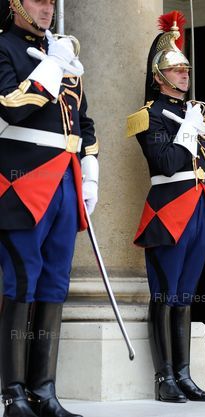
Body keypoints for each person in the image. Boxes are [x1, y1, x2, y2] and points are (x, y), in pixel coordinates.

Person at [0, 0, 97, 416]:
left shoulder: (61, 50)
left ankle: (44, 390)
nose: (47, 8)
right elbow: (11, 105)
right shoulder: (5, 48)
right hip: (22, 180)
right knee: (22, 281)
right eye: (37, 0)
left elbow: (83, 122)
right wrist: (52, 66)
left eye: (49, 1)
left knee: (55, 284)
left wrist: (90, 173)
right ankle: (13, 392)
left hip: (64, 180)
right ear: (15, 4)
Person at [126, 11, 205, 403]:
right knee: (165, 294)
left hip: (198, 208)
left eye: (185, 69)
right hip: (168, 210)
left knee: (185, 295)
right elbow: (165, 162)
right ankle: (164, 377)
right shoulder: (148, 117)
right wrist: (186, 130)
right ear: (158, 76)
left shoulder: (195, 112)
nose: (184, 75)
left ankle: (183, 375)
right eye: (176, 70)